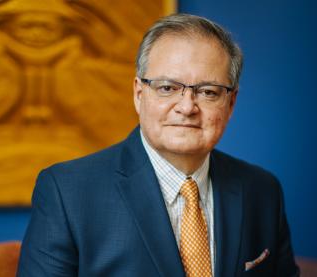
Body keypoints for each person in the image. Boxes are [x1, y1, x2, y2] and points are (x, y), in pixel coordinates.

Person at [17, 13, 299, 277]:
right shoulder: (67, 192)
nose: (187, 107)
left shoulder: (262, 191)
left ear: (231, 103)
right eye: (167, 88)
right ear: (139, 94)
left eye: (208, 92)